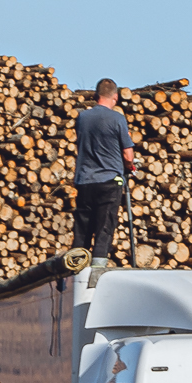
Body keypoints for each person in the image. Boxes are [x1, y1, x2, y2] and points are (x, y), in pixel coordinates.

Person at [73, 79, 135, 266]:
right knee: (104, 229)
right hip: (109, 180)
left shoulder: (82, 118)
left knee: (82, 229)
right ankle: (97, 273)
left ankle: (75, 270)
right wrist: (130, 166)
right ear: (115, 97)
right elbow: (128, 154)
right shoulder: (117, 119)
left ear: (96, 96)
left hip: (84, 180)